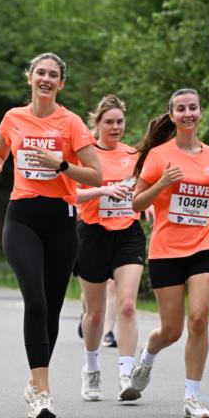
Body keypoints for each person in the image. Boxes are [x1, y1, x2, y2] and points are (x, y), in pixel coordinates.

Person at [0, 52, 102, 418]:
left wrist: (61, 165)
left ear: (61, 83)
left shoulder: (72, 123)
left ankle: (35, 382)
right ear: (30, 78)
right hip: (21, 217)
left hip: (60, 218)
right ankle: (43, 392)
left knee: (51, 306)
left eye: (53, 75)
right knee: (34, 298)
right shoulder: (13, 118)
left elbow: (96, 175)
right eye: (41, 73)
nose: (46, 79)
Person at [130, 88, 209, 418]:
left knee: (200, 318)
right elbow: (136, 203)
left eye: (193, 107)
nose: (188, 113)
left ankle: (192, 397)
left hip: (204, 244)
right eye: (181, 109)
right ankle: (148, 354)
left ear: (201, 113)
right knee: (172, 330)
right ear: (172, 116)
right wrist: (161, 184)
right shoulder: (159, 155)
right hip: (166, 250)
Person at [75, 93, 145, 401]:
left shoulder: (134, 154)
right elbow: (71, 195)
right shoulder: (86, 155)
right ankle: (91, 368)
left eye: (120, 122)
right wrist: (104, 190)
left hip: (128, 232)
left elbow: (144, 188)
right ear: (97, 124)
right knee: (95, 312)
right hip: (92, 233)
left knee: (127, 303)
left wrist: (150, 203)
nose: (115, 127)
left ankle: (126, 374)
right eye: (109, 122)